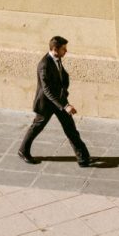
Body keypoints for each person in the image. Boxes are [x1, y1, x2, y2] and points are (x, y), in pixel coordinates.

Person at [19, 35, 95, 167]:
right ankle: (23, 151)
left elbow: (62, 76)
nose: (66, 51)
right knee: (37, 127)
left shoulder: (57, 59)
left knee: (70, 128)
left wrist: (64, 91)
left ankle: (83, 158)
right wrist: (65, 105)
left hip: (59, 101)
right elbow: (47, 90)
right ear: (55, 49)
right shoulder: (44, 65)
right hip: (46, 104)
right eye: (63, 49)